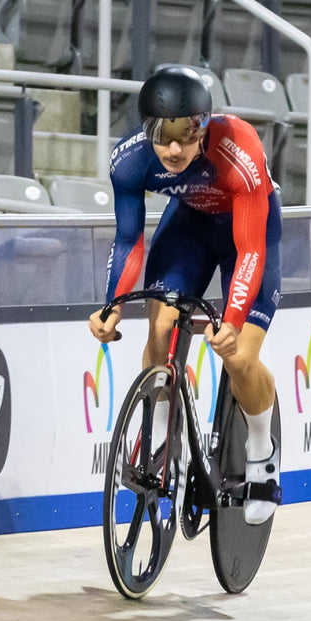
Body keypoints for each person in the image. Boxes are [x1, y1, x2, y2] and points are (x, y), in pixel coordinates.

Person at [88, 65, 282, 525]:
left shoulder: (239, 150)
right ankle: (159, 443)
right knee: (160, 329)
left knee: (238, 358)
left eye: (187, 132)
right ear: (146, 129)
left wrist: (233, 319)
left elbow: (251, 249)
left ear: (205, 126)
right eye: (162, 133)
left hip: (248, 233)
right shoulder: (131, 160)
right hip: (190, 229)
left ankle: (262, 448)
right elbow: (128, 240)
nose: (174, 148)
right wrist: (111, 305)